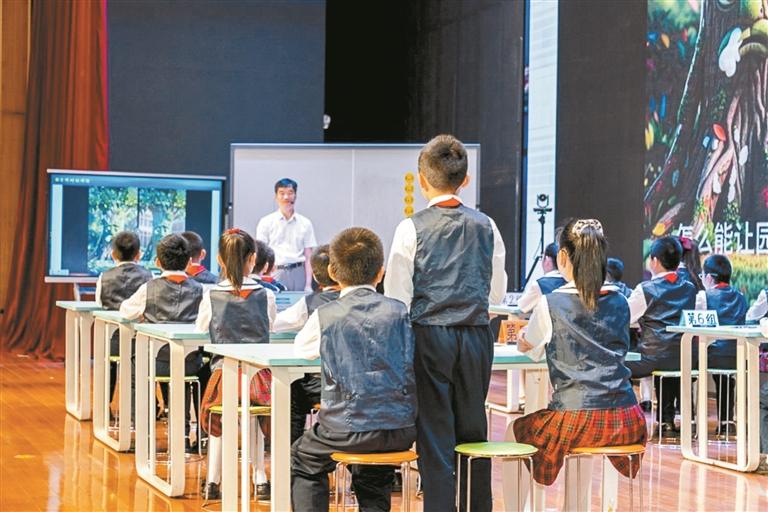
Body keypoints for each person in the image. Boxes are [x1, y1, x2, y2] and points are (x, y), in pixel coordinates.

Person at [384, 134, 507, 511]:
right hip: (476, 336)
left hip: (428, 336)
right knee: (474, 430)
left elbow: (397, 299)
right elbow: (497, 294)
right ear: (465, 180)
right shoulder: (487, 225)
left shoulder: (410, 227)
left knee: (435, 433)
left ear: (422, 180)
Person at [511, 218, 646, 496]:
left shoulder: (551, 303)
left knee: (515, 430)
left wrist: (523, 340)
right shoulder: (621, 301)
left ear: (563, 256)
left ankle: (524, 507)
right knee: (582, 437)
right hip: (628, 418)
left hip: (575, 418)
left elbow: (529, 344)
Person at [291, 227, 417, 512]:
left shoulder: (326, 315)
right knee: (374, 472)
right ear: (381, 273)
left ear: (332, 272)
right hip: (400, 428)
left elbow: (302, 350)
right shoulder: (401, 312)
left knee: (303, 458)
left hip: (345, 428)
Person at [195, 228, 276, 500]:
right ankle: (260, 478)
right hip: (258, 378)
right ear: (253, 259)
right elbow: (271, 326)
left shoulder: (210, 295)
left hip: (224, 375)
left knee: (221, 416)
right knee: (254, 415)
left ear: (219, 259)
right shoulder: (266, 295)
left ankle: (213, 481)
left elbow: (200, 328)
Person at [120, 233, 208, 449]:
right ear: (189, 262)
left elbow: (125, 311)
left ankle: (142, 434)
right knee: (188, 375)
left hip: (155, 362)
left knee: (134, 367)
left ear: (158, 262)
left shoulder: (148, 288)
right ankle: (188, 437)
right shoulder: (201, 290)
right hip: (190, 363)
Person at [625, 236, 697, 434]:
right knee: (670, 360)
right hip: (685, 358)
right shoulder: (690, 288)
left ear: (654, 261)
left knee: (616, 364)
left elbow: (624, 316)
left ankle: (627, 420)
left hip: (653, 358)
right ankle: (666, 421)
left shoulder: (646, 289)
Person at [274, 245, 340, 444]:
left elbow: (277, 324)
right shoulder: (359, 302)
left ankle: (291, 449)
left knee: (293, 389)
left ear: (316, 276)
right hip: (360, 389)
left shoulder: (311, 303)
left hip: (322, 386)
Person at [95, 231, 153, 402]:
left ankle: (105, 404)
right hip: (141, 342)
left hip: (112, 341)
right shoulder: (149, 277)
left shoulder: (104, 277)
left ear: (113, 254)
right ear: (139, 255)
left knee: (109, 363)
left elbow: (100, 303)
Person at [696, 254, 747, 430]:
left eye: (702, 276)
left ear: (709, 277)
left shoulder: (703, 296)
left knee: (687, 366)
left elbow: (696, 325)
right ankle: (726, 422)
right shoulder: (741, 296)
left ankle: (691, 421)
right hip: (737, 356)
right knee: (725, 376)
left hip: (711, 356)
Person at [256, 178, 317, 291]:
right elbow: (261, 253)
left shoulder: (305, 223)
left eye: (290, 193)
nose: (286, 197)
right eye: (282, 193)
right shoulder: (266, 222)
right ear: (276, 197)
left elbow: (309, 256)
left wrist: (308, 284)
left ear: (295, 196)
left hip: (299, 271)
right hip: (275, 272)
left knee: (301, 302)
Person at [517, 242, 566, 313]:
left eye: (542, 257)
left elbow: (521, 307)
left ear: (547, 260)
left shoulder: (539, 285)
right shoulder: (571, 282)